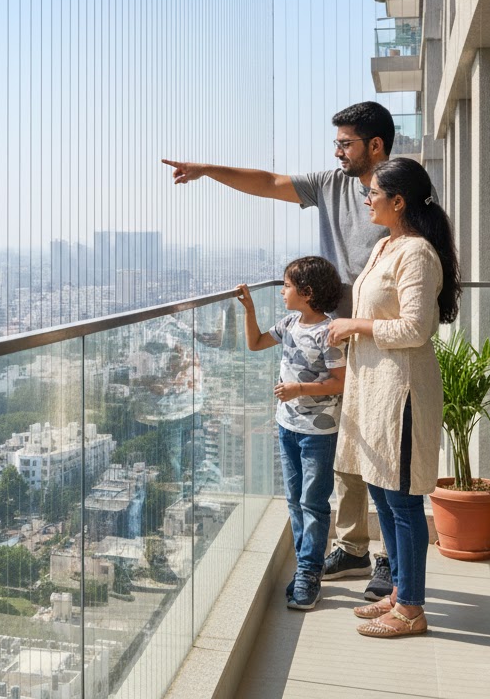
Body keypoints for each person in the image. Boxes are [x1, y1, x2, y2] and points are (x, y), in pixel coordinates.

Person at [163, 100, 396, 599]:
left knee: (378, 449)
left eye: (345, 143)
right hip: (331, 332)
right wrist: (207, 170)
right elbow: (268, 182)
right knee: (343, 449)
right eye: (336, 143)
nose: (337, 152)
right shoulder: (330, 184)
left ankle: (391, 560)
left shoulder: (399, 189)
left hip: (379, 336)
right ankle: (353, 547)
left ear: (375, 145)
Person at [326, 157, 460, 639]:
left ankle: (412, 609)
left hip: (400, 391)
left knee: (402, 503)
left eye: (374, 194)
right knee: (382, 494)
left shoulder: (417, 253)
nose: (367, 200)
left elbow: (416, 328)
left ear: (398, 201)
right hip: (374, 390)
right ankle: (400, 591)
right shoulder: (386, 245)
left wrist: (355, 325)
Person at [236, 257, 345, 611]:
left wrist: (299, 389)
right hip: (287, 427)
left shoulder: (329, 332)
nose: (282, 291)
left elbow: (339, 382)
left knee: (313, 502)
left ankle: (309, 572)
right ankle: (305, 568)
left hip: (319, 433)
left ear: (307, 292)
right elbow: (255, 343)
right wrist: (250, 310)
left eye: (286, 286)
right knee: (295, 501)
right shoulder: (289, 323)